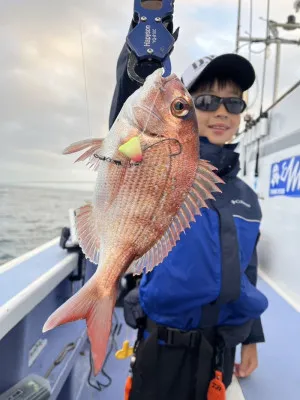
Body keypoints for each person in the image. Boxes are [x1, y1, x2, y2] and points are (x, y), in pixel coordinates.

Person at [109, 10, 268, 400]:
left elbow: (247, 268)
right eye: (207, 100)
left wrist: (252, 339)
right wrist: (147, 39)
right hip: (163, 348)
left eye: (233, 104)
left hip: (221, 350)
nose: (221, 112)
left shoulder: (247, 196)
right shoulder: (156, 158)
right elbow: (125, 129)